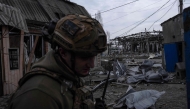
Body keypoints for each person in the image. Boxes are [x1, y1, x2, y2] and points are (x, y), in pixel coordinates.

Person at [7, 14, 107, 109]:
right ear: (63, 52)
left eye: (94, 56)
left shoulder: (69, 74)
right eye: (85, 57)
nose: (92, 65)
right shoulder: (38, 95)